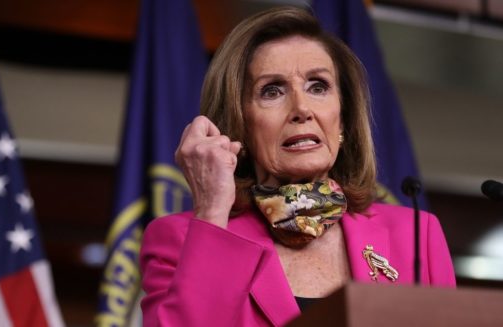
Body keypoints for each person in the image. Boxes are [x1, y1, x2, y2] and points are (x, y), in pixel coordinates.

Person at [139, 6, 455, 327]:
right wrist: (212, 211)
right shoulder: (180, 239)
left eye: (318, 86)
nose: (301, 108)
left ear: (343, 119)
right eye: (272, 90)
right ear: (239, 125)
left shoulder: (416, 235)